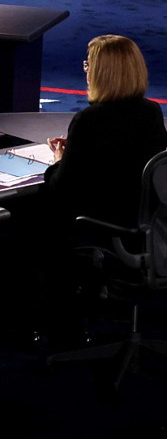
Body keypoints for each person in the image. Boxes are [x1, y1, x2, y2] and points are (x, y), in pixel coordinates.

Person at [34, 35, 166, 341]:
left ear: (102, 72)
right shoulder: (151, 112)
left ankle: (57, 324)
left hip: (105, 228)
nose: (85, 70)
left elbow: (61, 188)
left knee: (40, 214)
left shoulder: (88, 121)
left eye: (88, 64)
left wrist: (60, 159)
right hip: (146, 227)